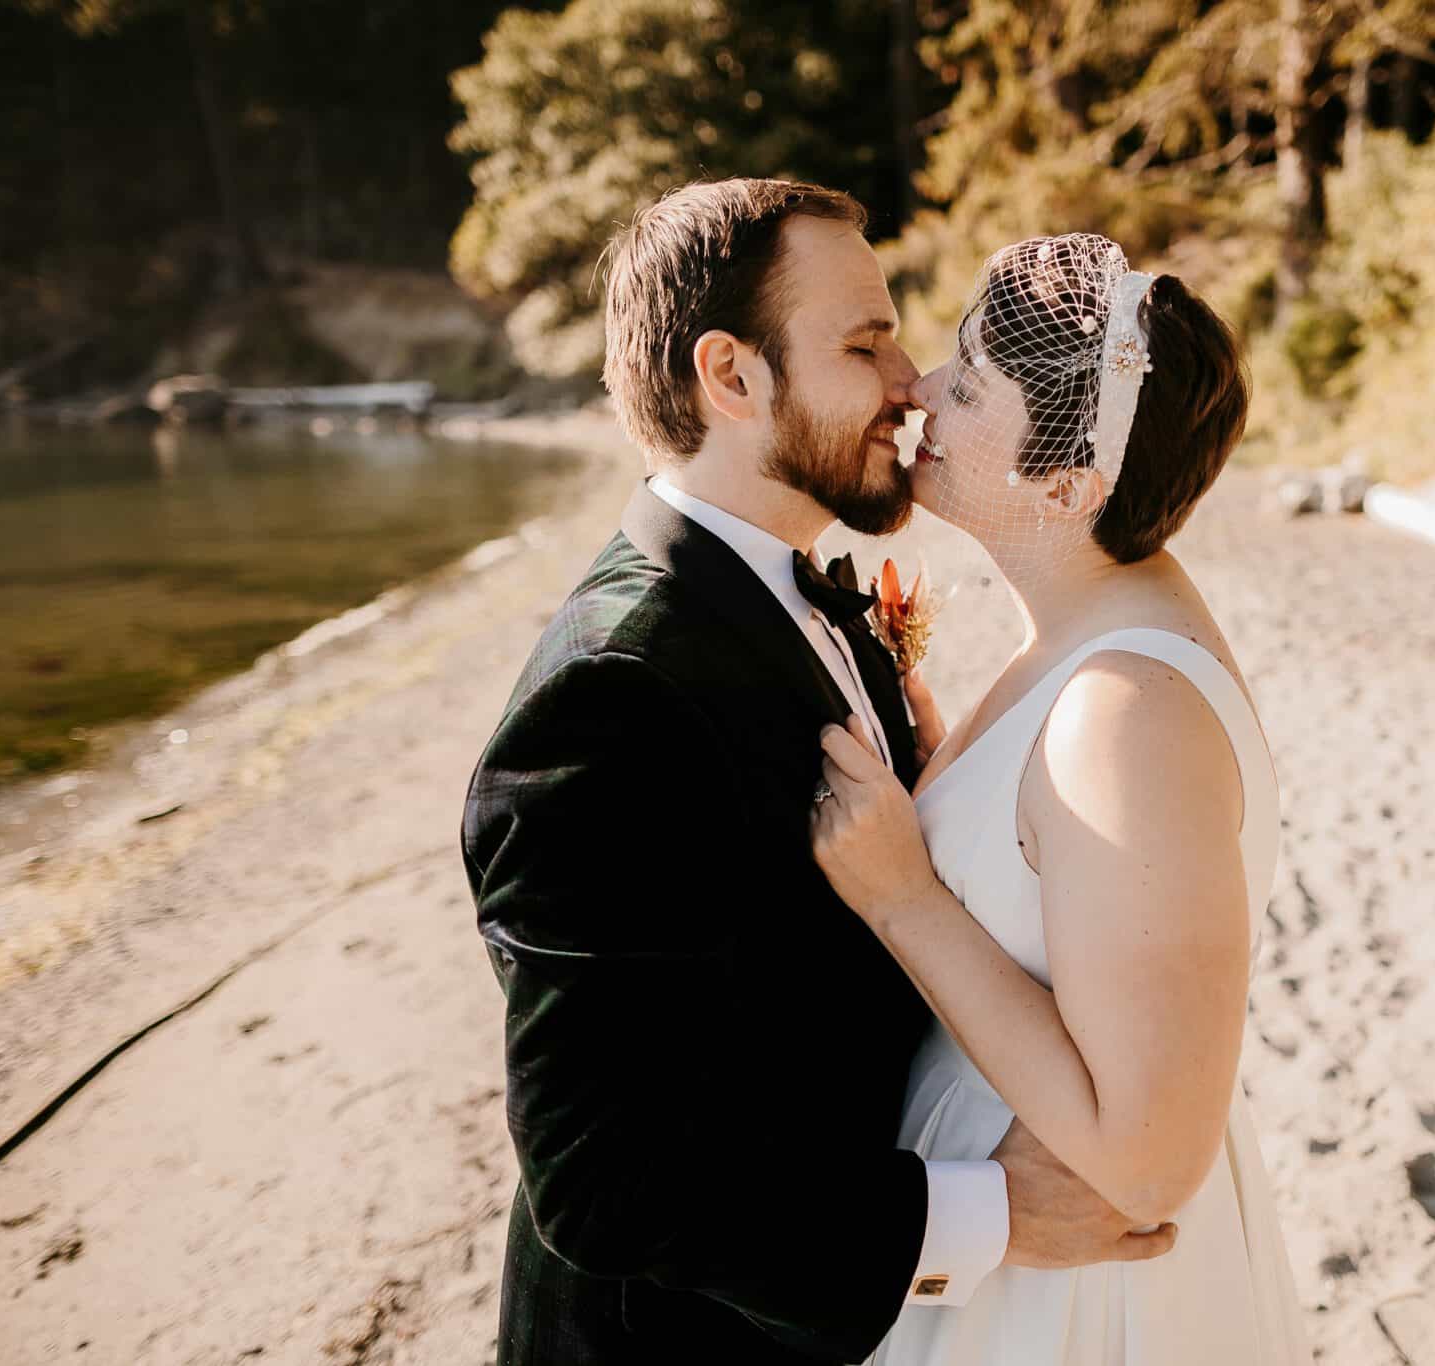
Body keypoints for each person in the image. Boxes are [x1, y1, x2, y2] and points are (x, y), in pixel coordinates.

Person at [459, 183, 1175, 1366]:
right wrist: (993, 1216)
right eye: (864, 342)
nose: (909, 379)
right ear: (731, 378)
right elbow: (603, 1191)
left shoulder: (795, 592)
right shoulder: (609, 704)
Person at [809, 234, 1311, 1364]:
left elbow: (1143, 1159)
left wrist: (906, 898)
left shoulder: (1126, 709)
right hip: (997, 1226)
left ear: (1068, 482)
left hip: (1067, 1290)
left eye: (971, 383)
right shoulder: (1089, 632)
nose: (924, 393)